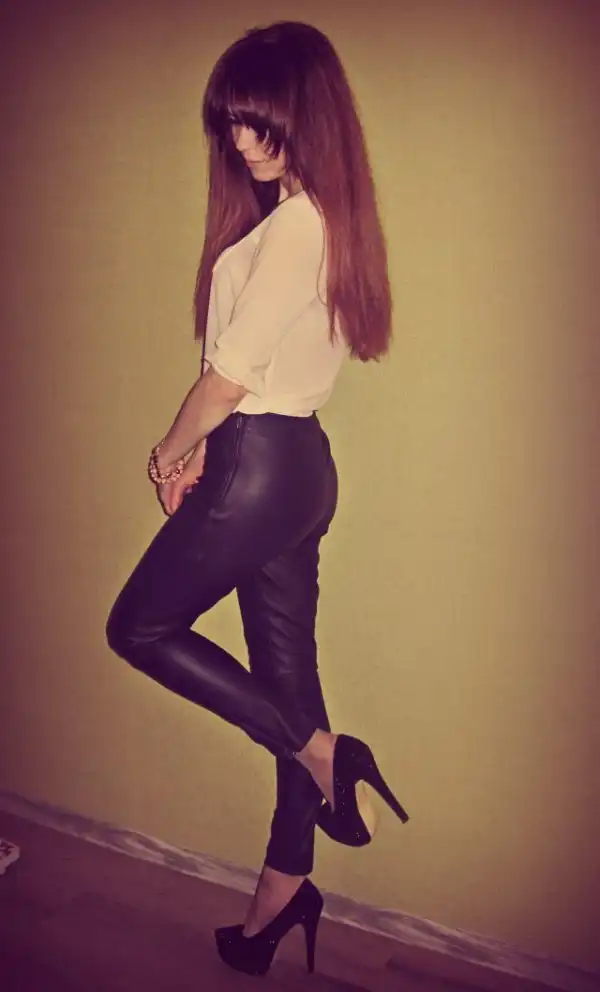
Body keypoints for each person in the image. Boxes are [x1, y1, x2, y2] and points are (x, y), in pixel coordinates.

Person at [106, 20, 408, 978]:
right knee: (287, 680)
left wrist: (170, 454)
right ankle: (284, 893)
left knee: (138, 629)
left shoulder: (297, 225)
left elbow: (230, 377)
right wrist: (207, 443)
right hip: (298, 467)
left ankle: (323, 753)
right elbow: (253, 373)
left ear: (306, 116)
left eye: (260, 122)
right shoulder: (324, 221)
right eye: (232, 123)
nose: (241, 142)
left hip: (258, 461)